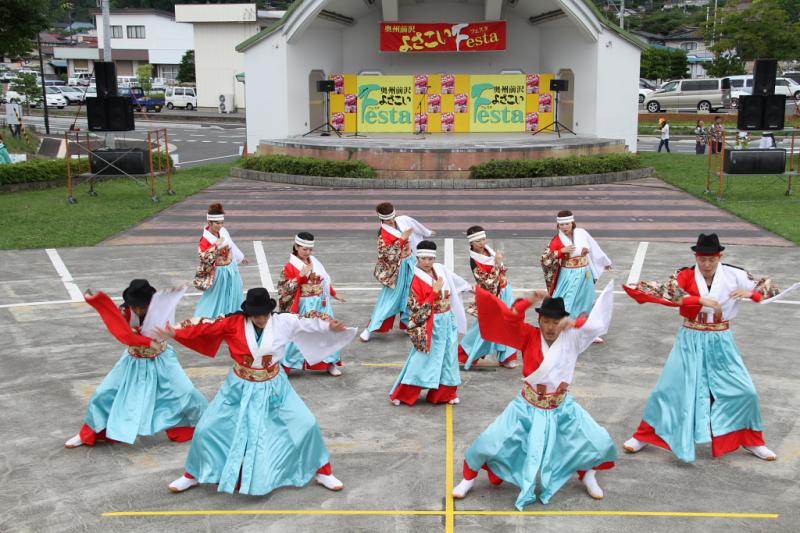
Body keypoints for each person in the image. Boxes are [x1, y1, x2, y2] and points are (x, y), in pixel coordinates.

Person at [157, 288, 357, 495]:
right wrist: (175, 331)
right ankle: (193, 474)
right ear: (248, 313)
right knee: (207, 428)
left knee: (306, 423)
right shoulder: (232, 322)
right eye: (256, 315)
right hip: (238, 386)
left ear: (270, 311)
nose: (261, 319)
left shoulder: (284, 321)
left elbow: (307, 320)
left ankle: (323, 471)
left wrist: (329, 326)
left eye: (264, 314)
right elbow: (205, 325)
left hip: (275, 386)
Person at [622, 233, 791, 463]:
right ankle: (645, 435)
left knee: (745, 390)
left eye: (712, 259)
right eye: (702, 259)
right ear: (696, 256)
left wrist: (752, 293)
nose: (707, 264)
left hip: (721, 338)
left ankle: (753, 441)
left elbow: (770, 287)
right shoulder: (684, 275)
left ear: (720, 257)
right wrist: (700, 300)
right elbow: (666, 291)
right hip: (690, 336)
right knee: (669, 389)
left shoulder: (734, 274)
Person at [452, 282, 617, 508]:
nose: (550, 327)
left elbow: (595, 324)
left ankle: (588, 474)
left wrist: (575, 323)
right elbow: (511, 318)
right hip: (527, 405)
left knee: (598, 441)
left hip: (561, 407)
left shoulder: (574, 337)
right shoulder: (529, 335)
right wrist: (529, 299)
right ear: (539, 320)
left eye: (556, 322)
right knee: (489, 441)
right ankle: (468, 479)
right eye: (546, 321)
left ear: (563, 321)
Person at [64, 280, 207, 448]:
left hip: (161, 358)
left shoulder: (161, 309)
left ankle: (201, 425)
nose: (138, 310)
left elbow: (177, 329)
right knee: (104, 393)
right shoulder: (124, 312)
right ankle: (90, 433)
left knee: (186, 391)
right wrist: (98, 302)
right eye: (135, 306)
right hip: (133, 360)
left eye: (142, 306)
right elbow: (124, 335)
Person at [389, 240, 472, 406]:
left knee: (449, 357)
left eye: (430, 259)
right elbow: (416, 309)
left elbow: (455, 281)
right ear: (417, 259)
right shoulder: (414, 279)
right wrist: (434, 293)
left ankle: (445, 394)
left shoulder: (440, 269)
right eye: (423, 259)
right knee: (423, 359)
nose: (427, 262)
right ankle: (404, 393)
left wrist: (470, 287)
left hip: (447, 319)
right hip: (430, 323)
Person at [359, 202, 433, 342]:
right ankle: (369, 328)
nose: (392, 220)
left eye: (393, 217)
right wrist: (402, 239)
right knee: (388, 299)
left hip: (409, 264)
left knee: (410, 296)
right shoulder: (382, 234)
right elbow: (386, 256)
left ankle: (406, 324)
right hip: (396, 270)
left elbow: (414, 225)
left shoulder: (400, 221)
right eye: (388, 219)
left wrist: (425, 232)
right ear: (382, 219)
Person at [278, 232, 346, 376]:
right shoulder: (290, 266)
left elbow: (323, 280)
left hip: (321, 302)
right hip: (304, 304)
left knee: (327, 331)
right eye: (304, 249)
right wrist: (300, 275)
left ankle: (330, 363)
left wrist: (333, 293)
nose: (307, 252)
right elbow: (283, 289)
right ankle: (287, 364)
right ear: (296, 247)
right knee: (300, 333)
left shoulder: (314, 261)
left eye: (310, 249)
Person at [540, 210, 611, 342]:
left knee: (587, 301)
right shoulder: (557, 240)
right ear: (558, 226)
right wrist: (561, 251)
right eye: (562, 225)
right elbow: (545, 259)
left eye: (567, 224)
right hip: (568, 274)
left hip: (585, 273)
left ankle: (587, 332)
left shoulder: (581, 233)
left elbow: (593, 246)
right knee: (565, 302)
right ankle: (560, 331)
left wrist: (603, 262)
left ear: (572, 223)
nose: (565, 227)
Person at [458, 226, 518, 369]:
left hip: (504, 291)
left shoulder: (488, 251)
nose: (482, 242)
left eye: (483, 239)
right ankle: (465, 353)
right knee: (483, 327)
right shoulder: (475, 261)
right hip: (490, 296)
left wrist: (499, 266)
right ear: (471, 243)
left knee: (509, 323)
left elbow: (502, 271)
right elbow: (488, 282)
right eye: (478, 240)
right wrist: (498, 264)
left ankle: (507, 356)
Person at [193, 203, 247, 318]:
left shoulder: (222, 231)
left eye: (222, 223)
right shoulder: (205, 240)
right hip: (218, 273)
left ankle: (232, 318)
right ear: (209, 223)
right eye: (217, 223)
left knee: (234, 294)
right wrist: (215, 247)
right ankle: (209, 319)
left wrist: (240, 257)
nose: (220, 226)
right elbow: (204, 259)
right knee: (215, 297)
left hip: (231, 269)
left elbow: (230, 244)